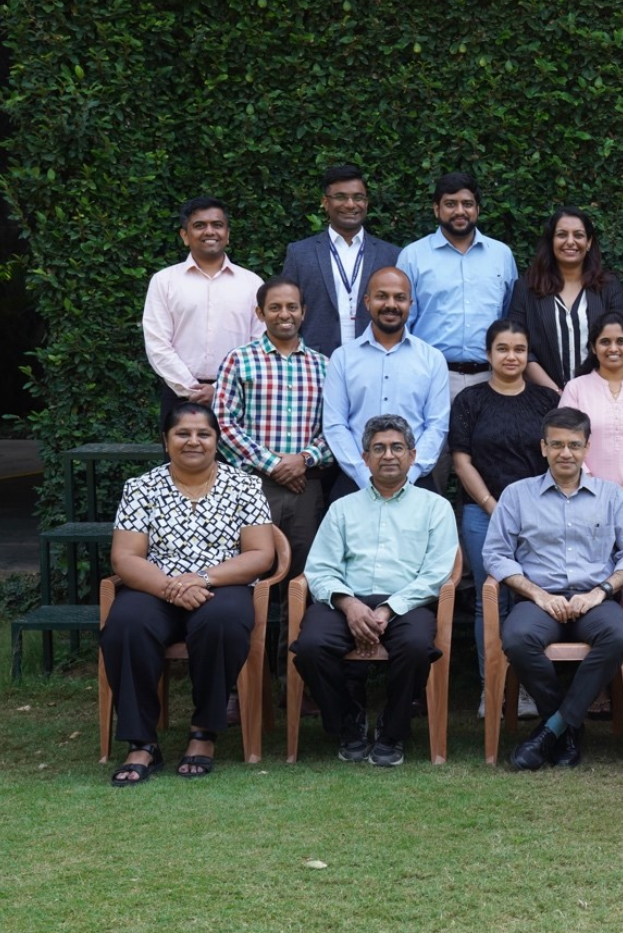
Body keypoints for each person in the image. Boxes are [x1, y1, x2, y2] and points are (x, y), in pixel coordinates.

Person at [99, 403, 275, 785]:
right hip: (154, 587)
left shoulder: (244, 485)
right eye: (182, 433)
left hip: (220, 585)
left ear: (217, 441)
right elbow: (125, 557)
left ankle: (203, 732)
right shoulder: (141, 487)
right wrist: (170, 587)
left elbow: (261, 553)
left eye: (203, 434)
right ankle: (141, 741)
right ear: (166, 441)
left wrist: (202, 578)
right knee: (126, 624)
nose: (193, 441)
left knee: (224, 623)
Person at [484, 407, 623, 770]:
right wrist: (537, 594)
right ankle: (567, 726)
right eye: (557, 444)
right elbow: (496, 555)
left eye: (574, 445)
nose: (566, 453)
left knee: (618, 635)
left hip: (594, 599)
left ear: (587, 448)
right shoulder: (517, 495)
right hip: (538, 599)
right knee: (516, 638)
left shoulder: (611, 496)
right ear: (543, 447)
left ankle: (554, 728)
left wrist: (601, 591)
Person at [291, 415, 459, 768]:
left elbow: (438, 573)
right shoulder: (343, 508)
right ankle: (348, 722)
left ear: (412, 456)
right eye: (378, 448)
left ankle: (392, 731)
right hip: (345, 599)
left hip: (407, 601)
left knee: (415, 647)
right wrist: (349, 604)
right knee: (310, 647)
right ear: (365, 458)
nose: (388, 455)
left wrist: (388, 609)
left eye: (397, 447)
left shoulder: (435, 507)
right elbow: (320, 567)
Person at [212, 277, 332, 687]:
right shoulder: (238, 361)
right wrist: (272, 465)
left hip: (305, 489)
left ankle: (296, 683)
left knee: (302, 584)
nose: (285, 315)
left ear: (304, 311)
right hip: (249, 489)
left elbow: (335, 429)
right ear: (259, 313)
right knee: (245, 583)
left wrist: (302, 461)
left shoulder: (322, 365)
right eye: (276, 308)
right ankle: (242, 684)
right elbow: (223, 425)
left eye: (293, 307)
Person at [450, 319, 560, 717]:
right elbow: (461, 460)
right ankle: (490, 688)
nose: (511, 356)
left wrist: (524, 511)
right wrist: (493, 506)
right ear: (489, 353)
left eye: (518, 349)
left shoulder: (547, 401)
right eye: (502, 349)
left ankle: (528, 690)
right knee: (490, 600)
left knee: (530, 600)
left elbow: (560, 458)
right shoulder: (469, 400)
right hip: (483, 514)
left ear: (528, 354)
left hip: (540, 516)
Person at [397, 170, 518, 490]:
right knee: (427, 469)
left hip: (488, 379)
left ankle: (480, 540)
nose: (460, 211)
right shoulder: (413, 256)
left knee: (487, 468)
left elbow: (508, 317)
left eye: (467, 203)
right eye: (450, 204)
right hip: (432, 377)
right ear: (436, 209)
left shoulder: (501, 255)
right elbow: (401, 322)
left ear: (477, 209)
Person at [322, 267, 450, 498]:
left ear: (411, 303)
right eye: (382, 296)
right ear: (367, 301)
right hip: (356, 482)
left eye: (399, 298)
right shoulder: (342, 358)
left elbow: (436, 426)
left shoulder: (432, 359)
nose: (391, 304)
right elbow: (335, 424)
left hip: (416, 481)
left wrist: (407, 475)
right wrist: (364, 476)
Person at [142, 196, 262, 425]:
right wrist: (191, 389)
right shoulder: (164, 281)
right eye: (199, 226)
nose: (210, 231)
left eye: (217, 225)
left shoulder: (252, 283)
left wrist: (220, 389)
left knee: (238, 462)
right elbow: (157, 343)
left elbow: (259, 345)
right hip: (179, 395)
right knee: (183, 461)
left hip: (239, 395)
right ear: (185, 236)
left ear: (227, 234)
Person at [559, 311, 623, 553]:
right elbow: (565, 442)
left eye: (621, 341)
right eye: (605, 342)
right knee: (590, 569)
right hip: (585, 495)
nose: (613, 348)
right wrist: (594, 489)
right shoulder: (576, 389)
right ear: (594, 348)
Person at [279, 163, 402, 356]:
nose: (350, 204)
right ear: (325, 203)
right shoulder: (300, 253)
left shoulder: (391, 255)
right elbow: (286, 308)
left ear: (367, 203)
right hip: (315, 362)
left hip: (377, 359)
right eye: (340, 197)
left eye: (358, 197)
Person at [508, 205, 623, 391]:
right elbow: (518, 346)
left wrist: (591, 391)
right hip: (543, 397)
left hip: (601, 394)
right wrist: (556, 393)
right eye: (562, 234)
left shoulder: (609, 287)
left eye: (579, 235)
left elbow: (622, 341)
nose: (570, 241)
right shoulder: (526, 289)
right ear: (551, 241)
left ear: (589, 242)